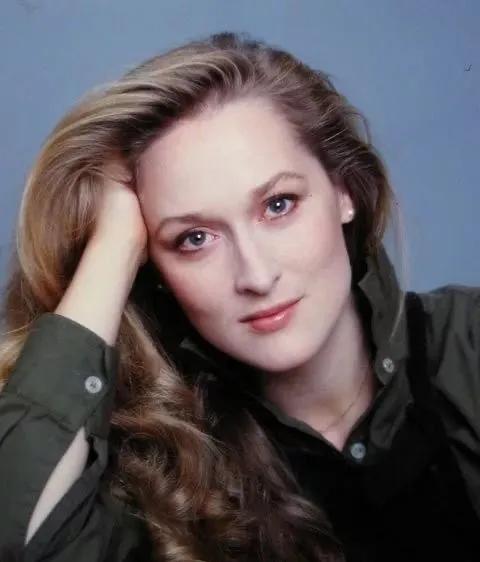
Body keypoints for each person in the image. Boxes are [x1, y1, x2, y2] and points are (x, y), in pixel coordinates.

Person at [0, 31, 478, 562]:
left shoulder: (469, 343)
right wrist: (112, 244)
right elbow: (20, 539)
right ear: (151, 266)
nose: (256, 274)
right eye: (194, 239)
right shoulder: (156, 470)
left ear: (344, 191)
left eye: (278, 205)